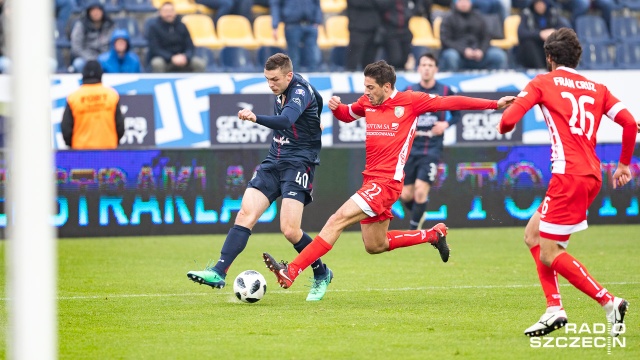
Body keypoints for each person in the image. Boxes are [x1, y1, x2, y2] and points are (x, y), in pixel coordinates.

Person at [262, 60, 515, 290]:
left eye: (371, 87)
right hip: (371, 180)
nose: (366, 92)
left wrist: (494, 104)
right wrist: (337, 108)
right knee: (375, 245)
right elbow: (347, 115)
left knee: (336, 220)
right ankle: (433, 234)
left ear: (386, 86)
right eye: (364, 86)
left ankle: (291, 271)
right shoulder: (367, 102)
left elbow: (451, 102)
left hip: (387, 183)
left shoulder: (411, 101)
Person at [497, 28, 638, 337]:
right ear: (578, 57)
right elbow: (629, 122)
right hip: (591, 175)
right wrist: (624, 164)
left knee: (549, 252)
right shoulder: (596, 87)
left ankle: (609, 302)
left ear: (549, 58)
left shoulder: (543, 83)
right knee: (533, 235)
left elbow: (508, 122)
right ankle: (554, 309)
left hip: (568, 176)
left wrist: (503, 120)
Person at [187, 53, 334, 301]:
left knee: (289, 229)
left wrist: (255, 117)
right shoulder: (287, 88)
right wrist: (316, 121)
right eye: (267, 79)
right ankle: (219, 271)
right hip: (273, 160)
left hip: (298, 164)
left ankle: (321, 273)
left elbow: (286, 119)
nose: (270, 84)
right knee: (246, 214)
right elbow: (315, 108)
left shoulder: (299, 91)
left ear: (289, 75)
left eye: (274, 79)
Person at [401, 53, 461, 230]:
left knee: (420, 191)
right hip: (412, 147)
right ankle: (419, 214)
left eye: (430, 65)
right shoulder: (409, 91)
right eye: (424, 64)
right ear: (419, 68)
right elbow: (399, 114)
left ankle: (414, 231)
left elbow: (457, 113)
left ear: (436, 69)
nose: (427, 68)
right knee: (405, 195)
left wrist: (446, 123)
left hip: (432, 147)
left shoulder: (445, 91)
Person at [61, 60, 125, 149]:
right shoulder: (112, 95)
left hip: (81, 152)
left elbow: (66, 128)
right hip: (108, 152)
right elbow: (120, 126)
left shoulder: (74, 97)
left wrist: (72, 147)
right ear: (100, 74)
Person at [438, 0, 508, 72]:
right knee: (451, 56)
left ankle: (495, 81)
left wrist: (481, 50)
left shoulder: (479, 17)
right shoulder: (448, 18)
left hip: (478, 52)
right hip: (458, 53)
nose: (464, 4)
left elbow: (486, 37)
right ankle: (451, 81)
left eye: (466, 1)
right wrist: (463, 50)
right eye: (461, 1)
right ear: (456, 3)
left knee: (498, 55)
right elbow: (445, 40)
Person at [146, 2, 206, 73]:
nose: (169, 14)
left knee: (199, 64)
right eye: (166, 11)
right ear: (160, 13)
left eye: (171, 11)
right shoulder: (154, 28)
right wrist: (171, 58)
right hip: (164, 59)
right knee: (157, 63)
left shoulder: (182, 26)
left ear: (175, 12)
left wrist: (186, 57)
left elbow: (190, 46)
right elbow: (155, 49)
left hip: (182, 59)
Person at [269, 0, 322, 72]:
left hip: (310, 24)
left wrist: (317, 21)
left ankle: (313, 78)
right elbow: (276, 5)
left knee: (312, 56)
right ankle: (294, 80)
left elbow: (317, 4)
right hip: (292, 25)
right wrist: (275, 26)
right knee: (293, 56)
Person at [516, 0, 570, 69]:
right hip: (533, 49)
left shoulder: (552, 12)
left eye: (541, 4)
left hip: (548, 47)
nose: (539, 6)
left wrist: (553, 32)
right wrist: (539, 34)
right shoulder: (527, 14)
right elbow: (521, 33)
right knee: (528, 43)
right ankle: (540, 68)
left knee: (560, 43)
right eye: (537, 4)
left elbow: (565, 29)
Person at [70, 1, 115, 73]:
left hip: (105, 57)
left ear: (102, 11)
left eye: (98, 10)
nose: (96, 13)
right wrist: (90, 58)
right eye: (93, 10)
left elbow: (114, 43)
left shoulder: (110, 25)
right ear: (88, 12)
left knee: (113, 63)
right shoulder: (81, 25)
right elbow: (76, 46)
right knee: (78, 64)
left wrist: (104, 57)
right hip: (86, 58)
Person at [345, 0, 382, 72]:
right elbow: (357, 2)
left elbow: (383, 3)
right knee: (353, 60)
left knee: (370, 63)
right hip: (357, 28)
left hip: (374, 28)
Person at [377, 0, 413, 71]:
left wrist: (410, 12)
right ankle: (392, 76)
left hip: (405, 30)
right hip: (391, 30)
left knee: (404, 59)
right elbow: (381, 7)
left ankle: (399, 77)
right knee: (395, 59)